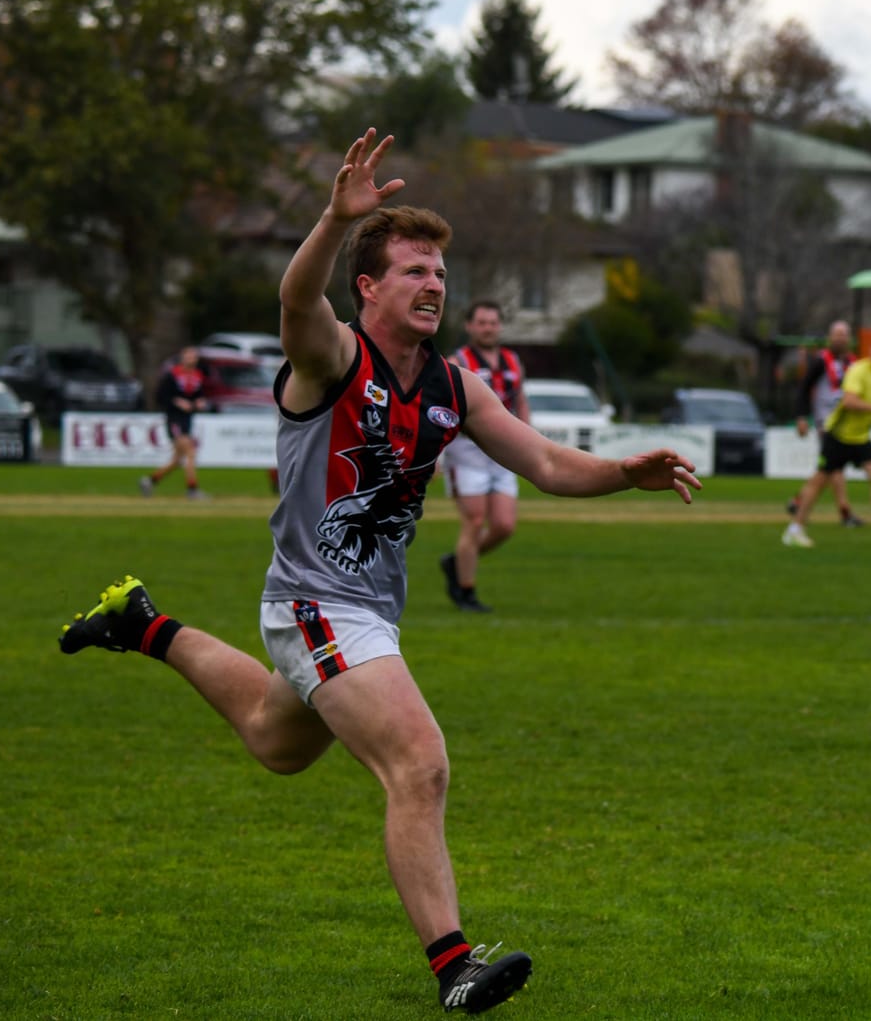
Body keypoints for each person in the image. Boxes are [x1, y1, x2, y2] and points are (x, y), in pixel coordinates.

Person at [58, 131, 701, 1015]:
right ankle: (454, 965)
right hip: (316, 603)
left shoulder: (454, 386)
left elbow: (549, 463)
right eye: (413, 271)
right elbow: (295, 298)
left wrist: (626, 471)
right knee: (419, 762)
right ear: (367, 287)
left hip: (366, 612)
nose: (434, 284)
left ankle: (143, 624)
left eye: (440, 272)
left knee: (275, 741)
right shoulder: (331, 355)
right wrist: (334, 220)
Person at [782, 334, 871, 550]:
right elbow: (849, 402)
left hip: (861, 436)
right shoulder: (858, 370)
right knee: (818, 482)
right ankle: (794, 529)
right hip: (838, 435)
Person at [437, 301, 530, 612]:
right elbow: (441, 408)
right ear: (470, 326)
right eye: (482, 323)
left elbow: (520, 400)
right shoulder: (458, 362)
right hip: (466, 450)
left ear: (499, 326)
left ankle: (456, 562)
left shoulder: (512, 361)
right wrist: (436, 453)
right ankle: (466, 591)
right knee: (475, 520)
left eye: (493, 322)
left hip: (502, 449)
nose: (488, 328)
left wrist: (528, 437)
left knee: (504, 525)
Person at [784, 319, 864, 531]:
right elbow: (804, 388)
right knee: (834, 467)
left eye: (844, 335)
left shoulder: (853, 363)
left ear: (849, 338)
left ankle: (798, 502)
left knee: (828, 468)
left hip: (847, 423)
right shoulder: (821, 361)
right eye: (837, 334)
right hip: (825, 422)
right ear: (830, 337)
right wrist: (801, 417)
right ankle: (845, 512)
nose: (840, 339)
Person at [140, 345, 209, 499]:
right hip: (174, 419)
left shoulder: (197, 375)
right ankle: (192, 489)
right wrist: (176, 402)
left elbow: (198, 395)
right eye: (189, 356)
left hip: (187, 419)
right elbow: (161, 396)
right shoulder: (172, 375)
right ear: (182, 358)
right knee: (190, 451)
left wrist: (199, 401)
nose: (192, 359)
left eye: (194, 356)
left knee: (177, 460)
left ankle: (150, 481)